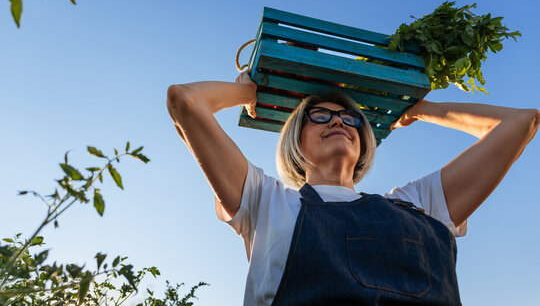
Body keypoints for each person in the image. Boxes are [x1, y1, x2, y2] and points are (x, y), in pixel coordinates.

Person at [166, 70, 539, 306]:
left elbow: (522, 123)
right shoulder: (266, 203)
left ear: (363, 140)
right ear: (295, 139)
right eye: (320, 116)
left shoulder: (418, 203)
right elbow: (185, 100)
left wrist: (421, 110)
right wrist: (248, 92)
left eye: (350, 119)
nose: (339, 123)